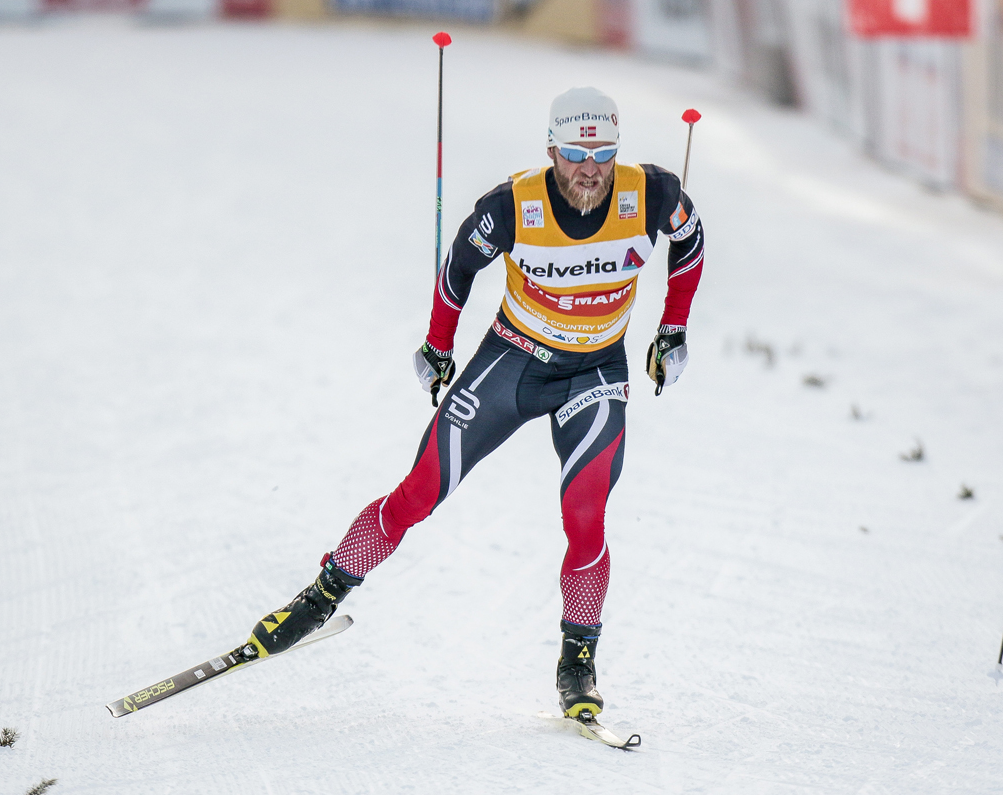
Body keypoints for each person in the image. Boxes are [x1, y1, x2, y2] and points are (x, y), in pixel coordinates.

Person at [241, 87, 704, 719]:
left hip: (595, 371)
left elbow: (691, 242)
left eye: (601, 153)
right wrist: (437, 345)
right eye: (574, 153)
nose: (589, 168)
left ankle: (578, 660)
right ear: (552, 151)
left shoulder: (650, 192)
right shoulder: (515, 204)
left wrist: (672, 328)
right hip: (511, 361)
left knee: (585, 515)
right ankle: (322, 595)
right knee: (419, 491)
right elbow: (458, 269)